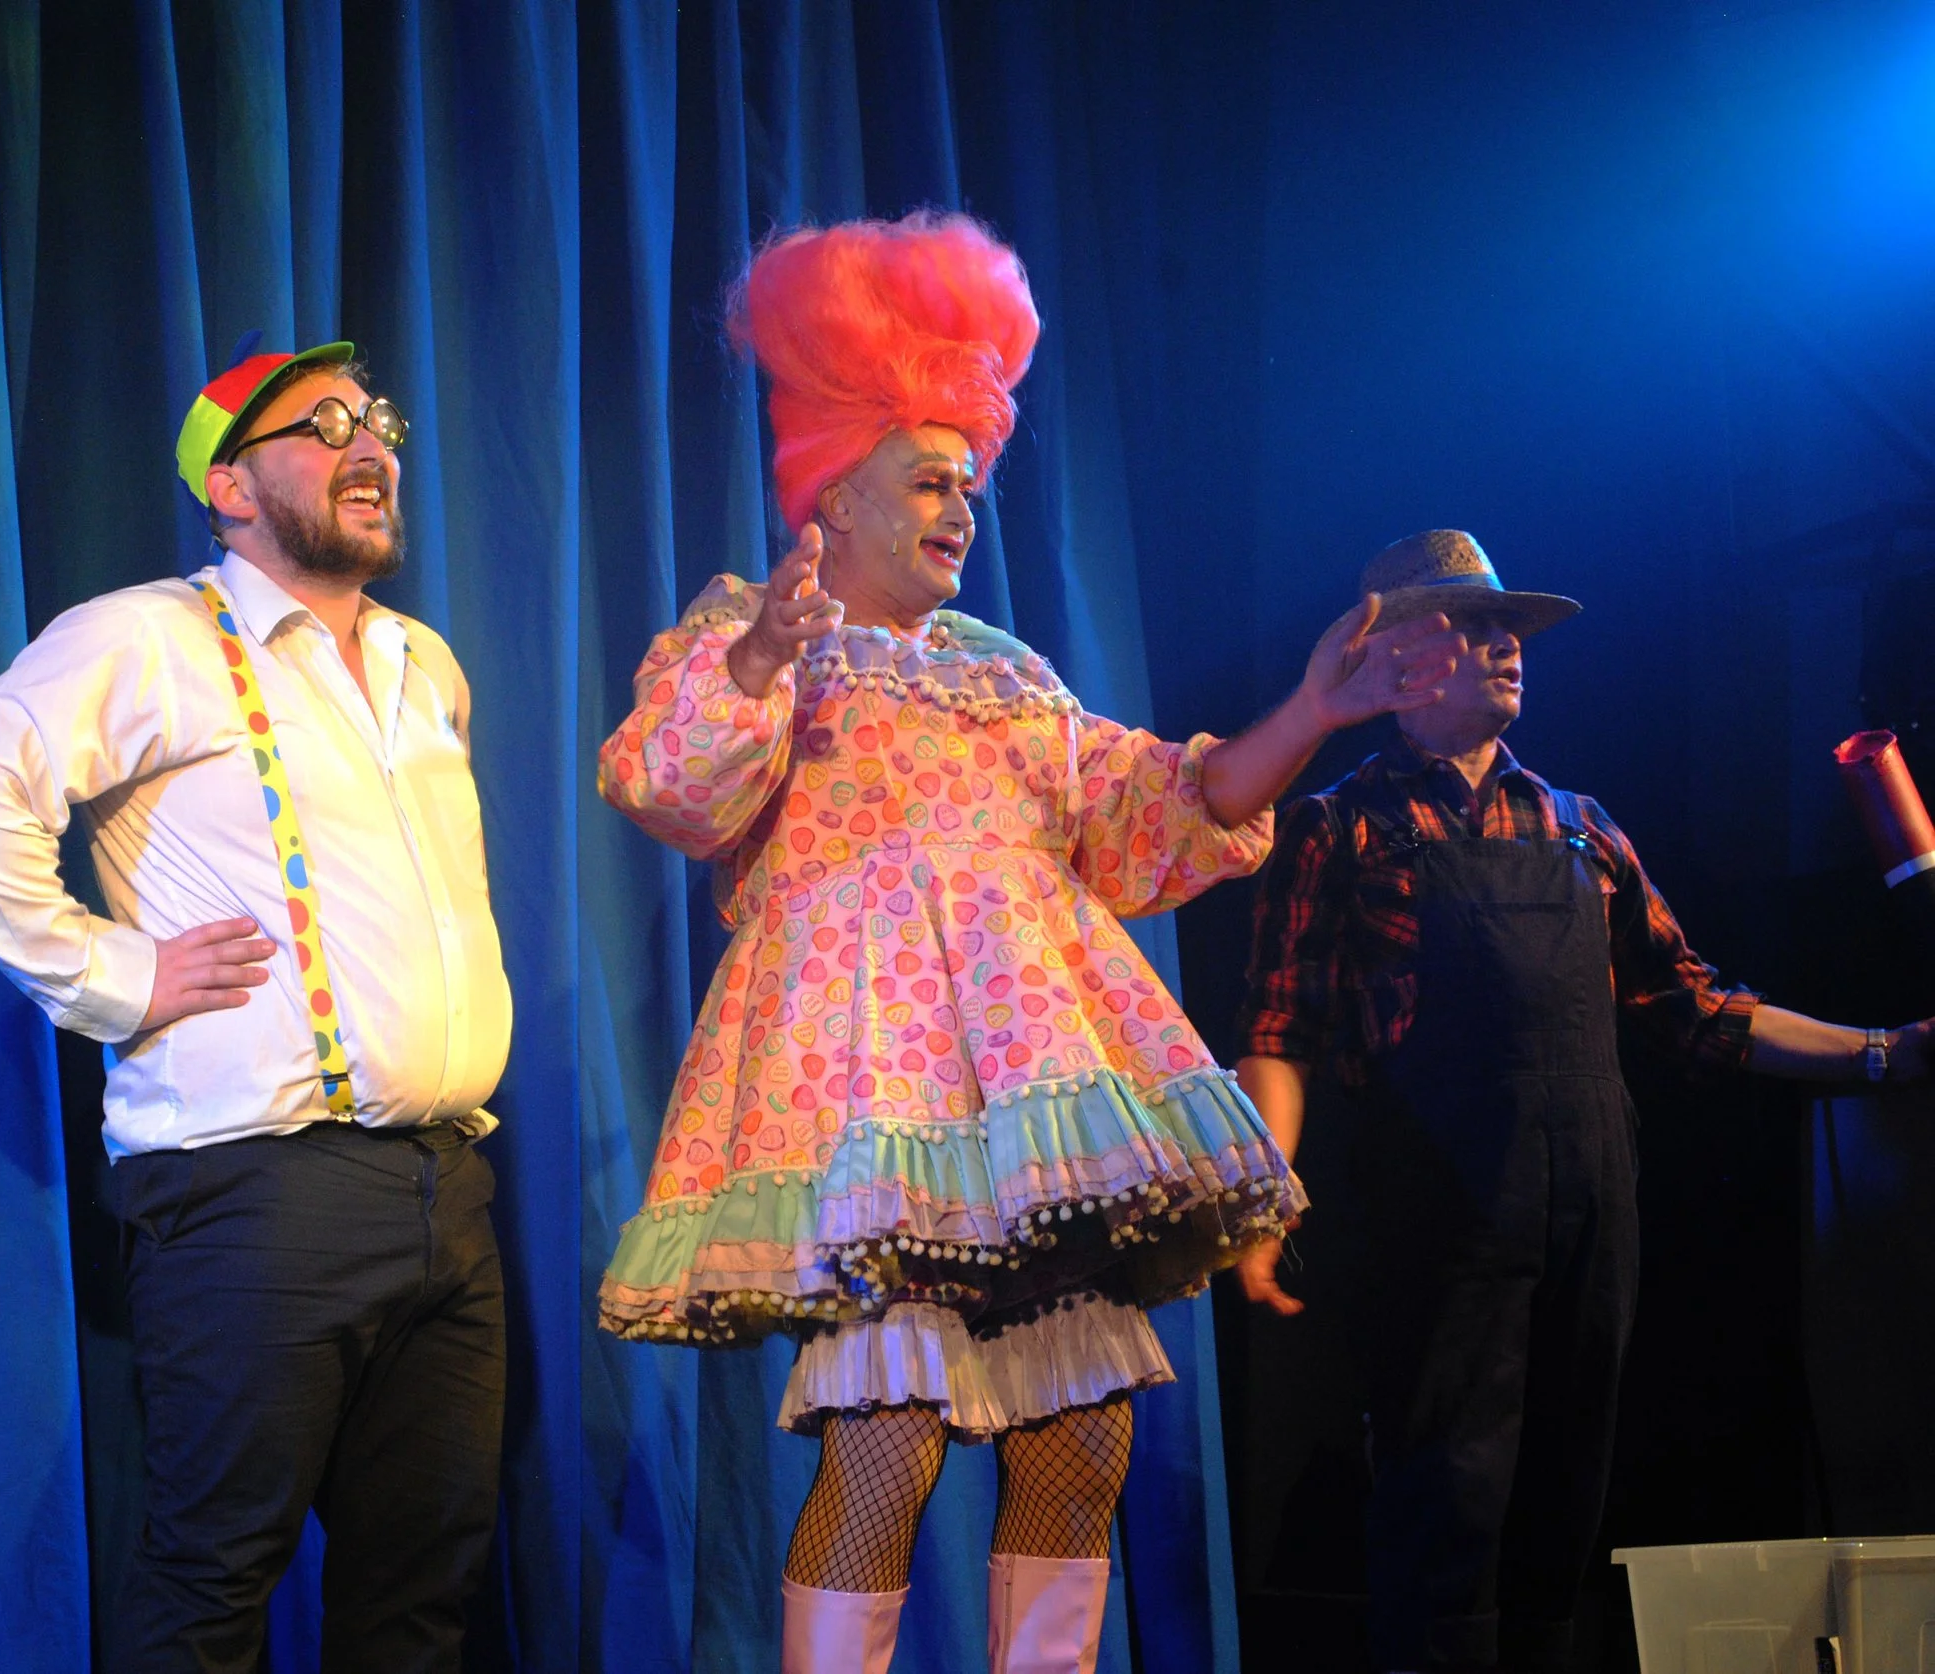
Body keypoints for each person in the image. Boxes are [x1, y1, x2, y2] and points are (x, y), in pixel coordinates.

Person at [595, 213, 1463, 1674]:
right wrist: (758, 662)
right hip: (876, 1095)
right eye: (927, 480)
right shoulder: (753, 634)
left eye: (973, 484)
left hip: (1038, 1096)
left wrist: (1315, 711)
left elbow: (1150, 813)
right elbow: (668, 786)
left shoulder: (1009, 672)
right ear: (834, 502)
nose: (960, 509)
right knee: (889, 1442)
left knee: (1081, 1443)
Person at [0, 340, 512, 1674]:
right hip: (254, 1194)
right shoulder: (147, 638)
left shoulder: (425, 664)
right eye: (326, 425)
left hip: (448, 1187)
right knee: (214, 1579)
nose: (371, 446)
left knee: (420, 1589)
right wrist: (115, 976)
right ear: (229, 486)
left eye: (381, 421)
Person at [1232, 529, 1935, 1674]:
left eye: (1509, 629)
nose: (1507, 648)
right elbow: (1279, 1029)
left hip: (1587, 1211)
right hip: (1435, 1218)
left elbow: (1698, 1008)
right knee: (1445, 1505)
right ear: (1397, 657)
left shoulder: (1580, 826)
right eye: (1473, 627)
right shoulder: (1339, 828)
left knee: (1563, 1503)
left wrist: (1882, 1052)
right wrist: (1259, 1196)